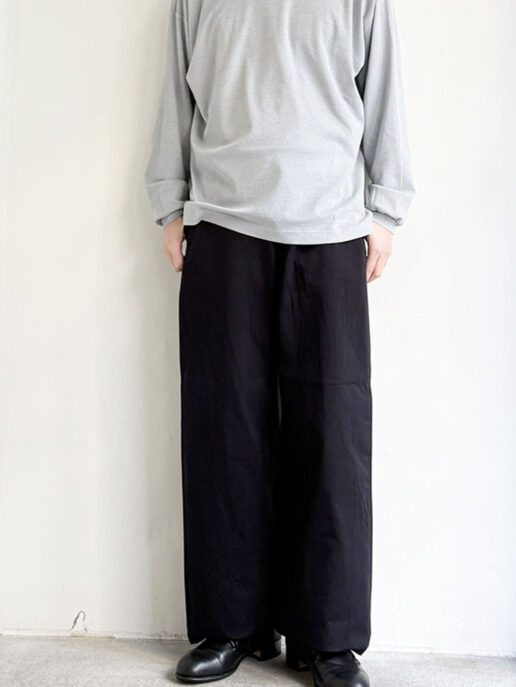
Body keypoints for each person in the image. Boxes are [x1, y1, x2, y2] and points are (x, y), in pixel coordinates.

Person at [144, 0, 415, 684]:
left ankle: (327, 638)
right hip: (221, 223)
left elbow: (384, 88)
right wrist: (169, 203)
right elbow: (174, 89)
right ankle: (231, 624)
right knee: (223, 427)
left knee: (333, 431)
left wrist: (385, 209)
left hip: (330, 227)